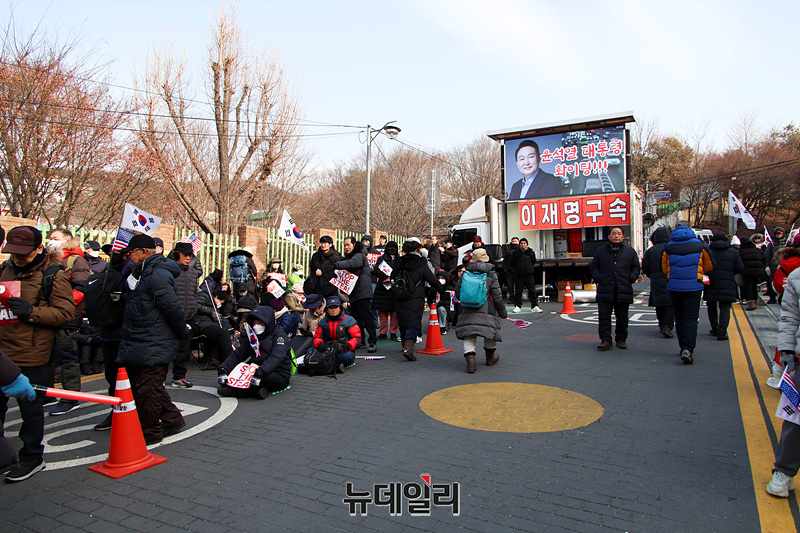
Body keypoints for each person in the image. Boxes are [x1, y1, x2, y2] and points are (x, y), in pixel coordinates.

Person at [0, 226, 74, 482]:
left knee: (31, 412)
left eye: (24, 254)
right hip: (2, 355)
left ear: (39, 249)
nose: (18, 258)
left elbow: (66, 314)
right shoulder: (4, 270)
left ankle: (32, 457)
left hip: (32, 356)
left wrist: (30, 311)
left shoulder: (53, 274)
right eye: (13, 253)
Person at [116, 234, 187, 445]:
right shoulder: (142, 273)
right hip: (143, 339)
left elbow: (173, 308)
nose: (129, 257)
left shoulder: (157, 275)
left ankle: (151, 432)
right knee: (150, 386)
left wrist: (182, 332)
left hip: (154, 341)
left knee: (148, 389)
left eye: (131, 253)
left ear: (144, 252)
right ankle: (171, 418)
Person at [46, 228, 91, 415]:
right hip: (47, 315)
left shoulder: (76, 260)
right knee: (46, 355)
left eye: (55, 238)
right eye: (50, 238)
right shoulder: (47, 259)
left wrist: (61, 304)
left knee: (67, 356)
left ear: (66, 241)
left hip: (67, 316)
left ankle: (70, 397)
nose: (51, 241)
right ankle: (47, 393)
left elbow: (81, 288)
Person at [765, 267, 800, 498]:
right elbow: (789, 316)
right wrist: (786, 348)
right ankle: (784, 471)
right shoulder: (797, 277)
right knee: (795, 416)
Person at [662, 225, 715, 365]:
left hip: (674, 287)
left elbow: (664, 268)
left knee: (679, 317)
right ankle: (689, 348)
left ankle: (682, 346)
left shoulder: (668, 247)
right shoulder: (701, 246)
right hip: (694, 286)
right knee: (691, 318)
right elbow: (710, 266)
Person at [217, 306, 291, 398]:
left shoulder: (279, 335)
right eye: (255, 323)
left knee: (266, 379)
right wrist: (223, 369)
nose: (257, 325)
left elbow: (276, 357)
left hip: (277, 372)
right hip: (255, 370)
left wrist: (261, 372)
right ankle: (260, 390)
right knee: (232, 375)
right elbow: (238, 354)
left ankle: (238, 392)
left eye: (260, 323)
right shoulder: (252, 336)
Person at [455, 248, 507, 373]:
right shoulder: (491, 275)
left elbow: (457, 293)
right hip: (487, 309)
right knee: (489, 334)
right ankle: (490, 359)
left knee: (469, 335)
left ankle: (471, 363)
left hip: (467, 309)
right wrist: (502, 313)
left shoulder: (465, 274)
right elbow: (497, 297)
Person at [590, 227, 641, 351]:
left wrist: (631, 278)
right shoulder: (601, 251)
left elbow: (636, 267)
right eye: (614, 233)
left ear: (623, 237)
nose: (616, 236)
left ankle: (621, 339)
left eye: (619, 234)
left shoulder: (630, 252)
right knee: (604, 317)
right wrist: (599, 278)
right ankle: (606, 340)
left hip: (623, 289)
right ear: (609, 236)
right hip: (605, 289)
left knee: (622, 317)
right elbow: (594, 267)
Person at [392, 240, 443, 361]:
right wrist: (441, 289)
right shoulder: (420, 263)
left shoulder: (398, 262)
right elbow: (431, 279)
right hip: (415, 296)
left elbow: (392, 277)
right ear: (416, 250)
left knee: (403, 320)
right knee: (413, 322)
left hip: (399, 295)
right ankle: (409, 348)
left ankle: (404, 345)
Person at [334, 236, 377, 353]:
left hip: (362, 292)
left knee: (367, 318)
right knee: (357, 320)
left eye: (348, 244)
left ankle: (372, 341)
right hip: (354, 293)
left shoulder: (359, 255)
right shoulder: (351, 257)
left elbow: (352, 264)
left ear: (354, 245)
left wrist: (336, 265)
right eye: (345, 245)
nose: (346, 247)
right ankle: (361, 341)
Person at [0, 351, 38, 477]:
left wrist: (9, 375)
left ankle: (33, 456)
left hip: (30, 356)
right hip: (8, 355)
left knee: (31, 408)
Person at [170, 242, 201, 388]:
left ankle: (179, 376)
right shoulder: (169, 271)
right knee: (167, 347)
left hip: (189, 316)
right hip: (172, 316)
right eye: (185, 255)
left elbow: (195, 293)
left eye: (191, 255)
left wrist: (193, 311)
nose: (188, 258)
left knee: (183, 349)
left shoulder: (193, 273)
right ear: (177, 255)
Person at [704, 232, 744, 341]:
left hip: (711, 282)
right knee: (725, 308)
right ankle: (722, 332)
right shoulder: (733, 252)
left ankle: (715, 328)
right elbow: (740, 267)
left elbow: (703, 267)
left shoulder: (708, 251)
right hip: (728, 282)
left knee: (711, 306)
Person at [641, 227, 674, 338]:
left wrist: (653, 275)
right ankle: (668, 326)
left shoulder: (650, 251)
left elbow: (645, 267)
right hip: (671, 279)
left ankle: (661, 324)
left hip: (656, 280)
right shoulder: (672, 248)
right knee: (670, 303)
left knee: (659, 303)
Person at [313, 296, 360, 372]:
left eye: (336, 307)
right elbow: (317, 337)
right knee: (310, 350)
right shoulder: (322, 322)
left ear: (340, 308)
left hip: (342, 351)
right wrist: (318, 344)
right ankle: (334, 366)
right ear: (327, 309)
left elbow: (357, 338)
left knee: (347, 356)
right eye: (331, 308)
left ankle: (322, 365)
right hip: (327, 351)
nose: (333, 310)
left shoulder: (349, 320)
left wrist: (349, 345)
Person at [372, 240, 400, 341]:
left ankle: (393, 332)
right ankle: (382, 332)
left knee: (394, 312)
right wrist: (385, 275)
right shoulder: (381, 259)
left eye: (394, 248)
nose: (392, 250)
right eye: (390, 248)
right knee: (382, 312)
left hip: (395, 289)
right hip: (382, 289)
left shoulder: (399, 260)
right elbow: (376, 271)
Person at [508, 237, 542, 313]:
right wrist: (517, 269)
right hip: (519, 274)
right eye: (521, 243)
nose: (523, 245)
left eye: (524, 243)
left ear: (527, 244)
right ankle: (518, 306)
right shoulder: (516, 253)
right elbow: (511, 262)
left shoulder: (530, 252)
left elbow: (533, 261)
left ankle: (534, 306)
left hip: (529, 274)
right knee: (518, 291)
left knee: (532, 290)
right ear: (519, 244)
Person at [738, 236, 766, 311]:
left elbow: (739, 262)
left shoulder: (741, 251)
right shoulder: (758, 250)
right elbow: (764, 260)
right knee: (754, 286)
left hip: (747, 271)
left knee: (748, 286)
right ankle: (755, 301)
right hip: (758, 271)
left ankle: (750, 303)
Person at [503, 237, 520, 301]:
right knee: (510, 285)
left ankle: (518, 298)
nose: (514, 242)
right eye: (513, 241)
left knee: (518, 285)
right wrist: (505, 268)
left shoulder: (520, 251)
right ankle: (512, 298)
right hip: (509, 270)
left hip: (518, 270)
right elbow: (505, 260)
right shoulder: (508, 251)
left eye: (515, 241)